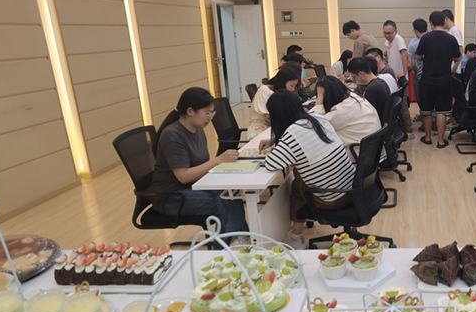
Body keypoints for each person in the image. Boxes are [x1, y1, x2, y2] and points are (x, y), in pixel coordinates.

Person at [258, 90, 356, 249]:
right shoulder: (317, 118)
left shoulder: (292, 134)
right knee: (300, 177)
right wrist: (275, 140)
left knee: (298, 186)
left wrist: (278, 141)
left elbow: (271, 164)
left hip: (332, 198)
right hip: (352, 187)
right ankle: (296, 234)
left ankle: (295, 237)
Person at [149, 87, 248, 234]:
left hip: (192, 187)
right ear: (190, 111)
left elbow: (200, 166)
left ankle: (232, 240)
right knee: (226, 200)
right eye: (207, 113)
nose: (211, 117)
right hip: (171, 197)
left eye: (212, 113)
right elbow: (183, 176)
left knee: (229, 191)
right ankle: (237, 239)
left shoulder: (198, 129)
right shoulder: (172, 135)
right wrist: (219, 160)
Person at [415, 10, 462, 148]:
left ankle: (428, 138)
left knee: (427, 110)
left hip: (427, 80)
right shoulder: (451, 39)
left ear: (431, 24)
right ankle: (441, 141)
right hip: (444, 80)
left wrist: (427, 58)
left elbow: (418, 56)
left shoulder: (426, 38)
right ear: (444, 21)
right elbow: (458, 57)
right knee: (442, 111)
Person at [310, 76, 381, 147]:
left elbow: (313, 124)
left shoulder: (341, 111)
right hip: (372, 148)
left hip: (358, 150)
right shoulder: (353, 97)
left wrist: (319, 100)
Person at [247, 65, 301, 139]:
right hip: (259, 132)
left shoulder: (278, 93)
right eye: (292, 85)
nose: (293, 89)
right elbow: (269, 119)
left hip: (271, 130)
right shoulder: (265, 90)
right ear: (283, 82)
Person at [382, 20, 414, 138]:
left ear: (396, 31)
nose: (387, 35)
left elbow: (405, 55)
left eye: (390, 33)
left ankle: (409, 131)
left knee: (402, 105)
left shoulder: (398, 39)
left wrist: (404, 72)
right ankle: (399, 129)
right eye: (385, 33)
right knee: (395, 105)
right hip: (392, 79)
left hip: (400, 78)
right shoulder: (387, 42)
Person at [346, 57, 391, 123]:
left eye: (354, 77)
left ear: (361, 74)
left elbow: (365, 114)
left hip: (377, 123)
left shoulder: (371, 89)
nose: (355, 80)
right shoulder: (381, 82)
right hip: (385, 121)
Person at [407, 18, 427, 112]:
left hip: (420, 74)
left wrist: (415, 71)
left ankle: (423, 116)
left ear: (415, 31)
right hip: (436, 73)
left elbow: (412, 63)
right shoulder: (433, 39)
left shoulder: (413, 43)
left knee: (421, 98)